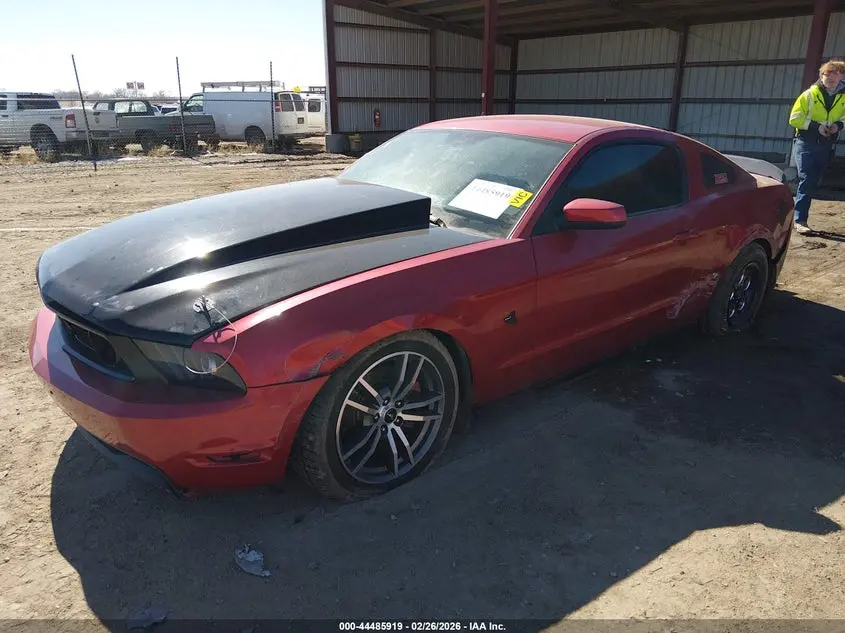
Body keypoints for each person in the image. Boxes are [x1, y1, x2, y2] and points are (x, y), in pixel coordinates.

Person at [788, 59, 845, 234]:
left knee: (815, 180)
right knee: (807, 178)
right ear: (821, 75)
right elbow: (794, 118)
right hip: (805, 142)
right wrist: (816, 126)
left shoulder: (843, 98)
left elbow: (843, 118)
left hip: (826, 145)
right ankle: (800, 220)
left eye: (837, 75)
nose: (832, 78)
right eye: (828, 74)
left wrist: (838, 126)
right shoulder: (809, 95)